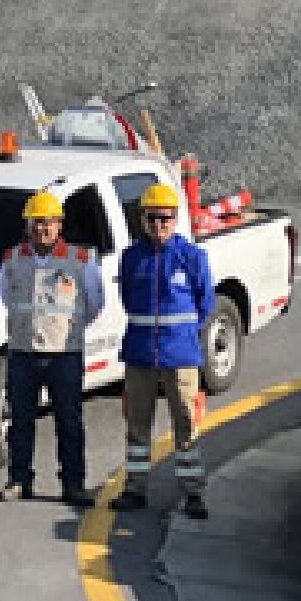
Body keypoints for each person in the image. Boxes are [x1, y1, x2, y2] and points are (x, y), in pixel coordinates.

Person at [111, 182, 215, 519]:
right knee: (137, 425)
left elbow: (205, 303)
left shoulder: (192, 257)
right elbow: (127, 299)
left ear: (175, 219)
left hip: (180, 356)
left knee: (186, 425)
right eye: (152, 219)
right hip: (141, 354)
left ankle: (193, 493)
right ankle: (135, 489)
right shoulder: (132, 258)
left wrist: (181, 335)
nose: (158, 226)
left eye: (164, 219)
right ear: (142, 219)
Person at [0, 191, 105, 507]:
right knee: (21, 420)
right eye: (37, 223)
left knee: (69, 421)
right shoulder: (12, 260)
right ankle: (19, 479)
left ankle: (73, 484)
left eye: (49, 223)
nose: (43, 229)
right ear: (28, 225)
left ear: (60, 225)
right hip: (23, 351)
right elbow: (8, 299)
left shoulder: (80, 260)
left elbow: (95, 303)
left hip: (64, 353)